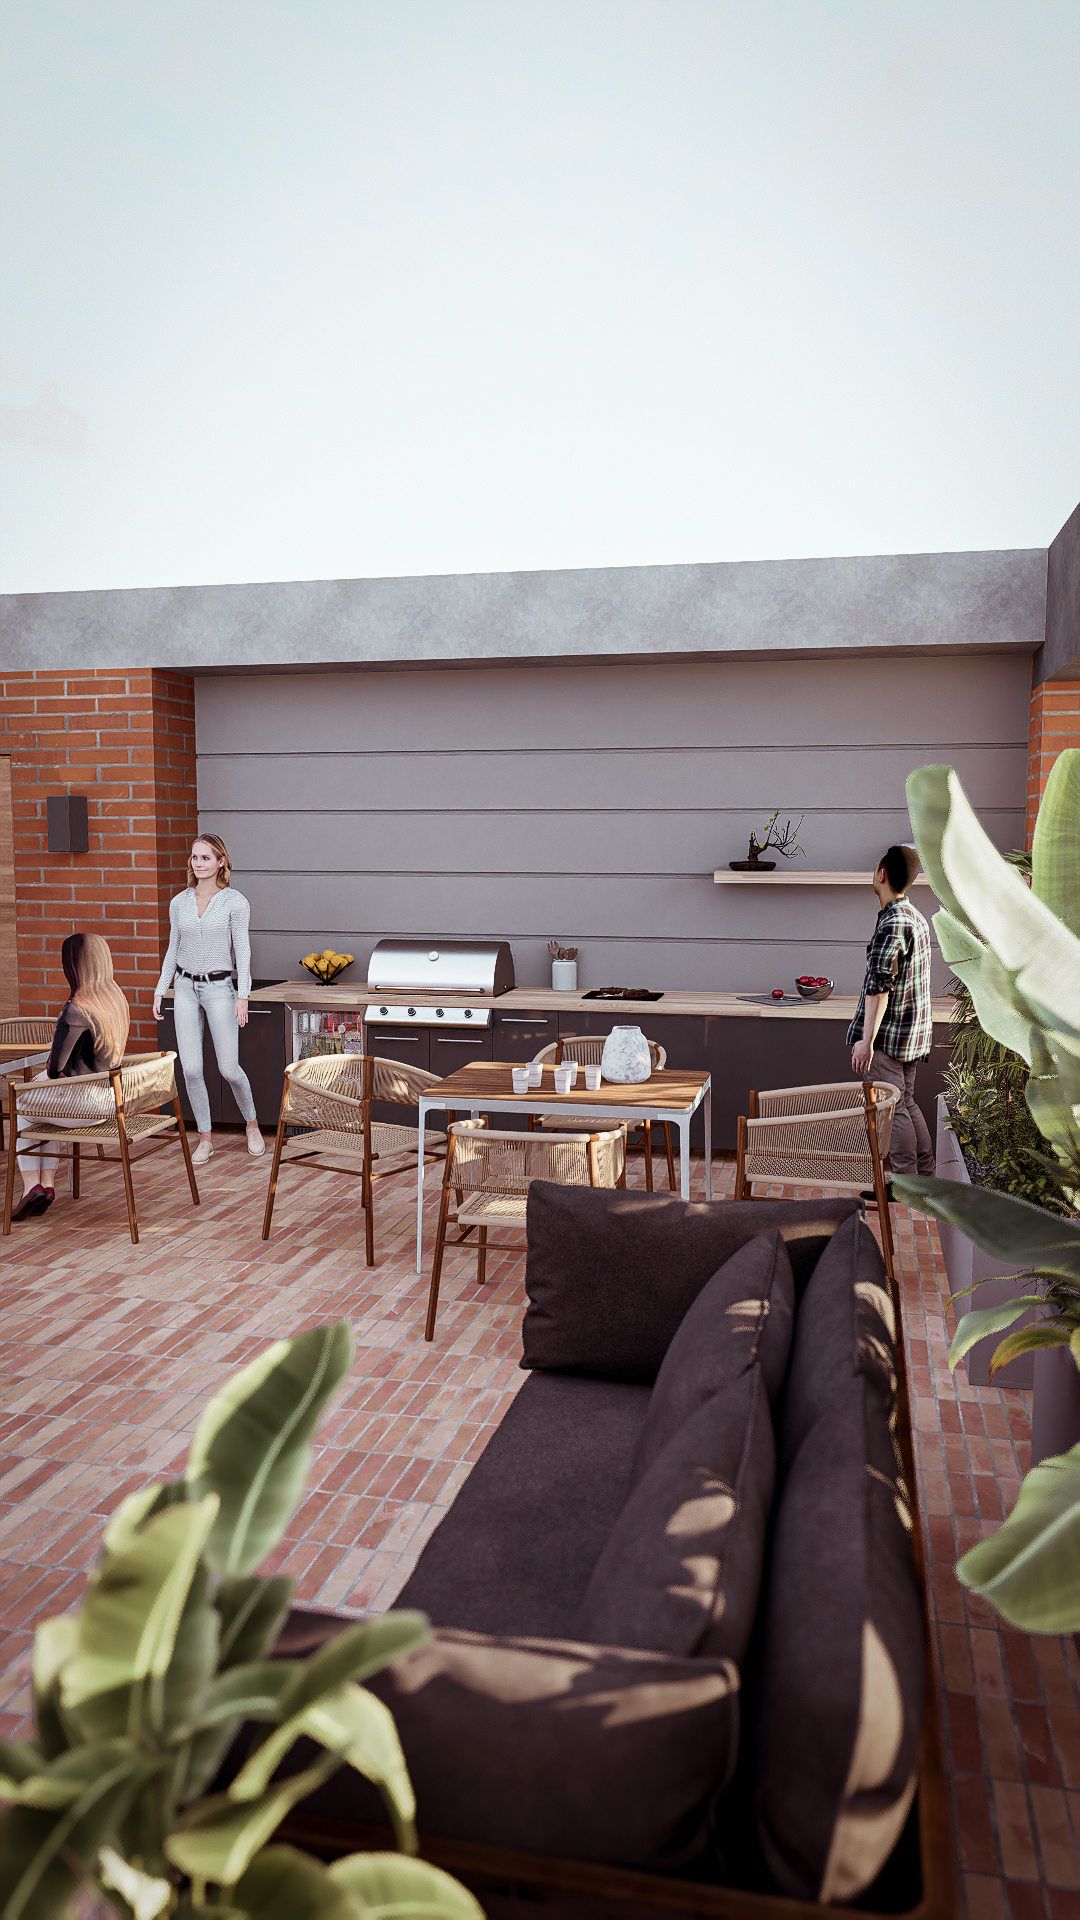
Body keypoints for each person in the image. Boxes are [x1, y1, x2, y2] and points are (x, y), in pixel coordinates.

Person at [153, 833, 264, 1166]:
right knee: (190, 1070)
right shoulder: (179, 903)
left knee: (228, 1068)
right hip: (185, 988)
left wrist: (242, 996)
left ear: (220, 862)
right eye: (194, 857)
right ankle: (205, 1137)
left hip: (219, 990)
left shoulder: (235, 902)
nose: (198, 863)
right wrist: (161, 988)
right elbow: (173, 948)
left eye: (205, 858)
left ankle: (252, 1124)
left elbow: (243, 952)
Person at [11, 931, 131, 1221]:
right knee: (41, 1107)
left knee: (22, 1106)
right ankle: (46, 1186)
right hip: (109, 1098)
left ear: (75, 966)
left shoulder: (77, 1008)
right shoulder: (115, 999)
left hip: (82, 1105)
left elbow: (55, 1068)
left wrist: (44, 1076)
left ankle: (33, 1185)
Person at [848, 843, 936, 1176]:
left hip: (888, 1036)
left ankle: (905, 1183)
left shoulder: (892, 924)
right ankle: (924, 1179)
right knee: (906, 1101)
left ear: (882, 874)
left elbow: (879, 988)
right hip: (911, 1035)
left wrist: (866, 1042)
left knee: (892, 1105)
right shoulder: (915, 917)